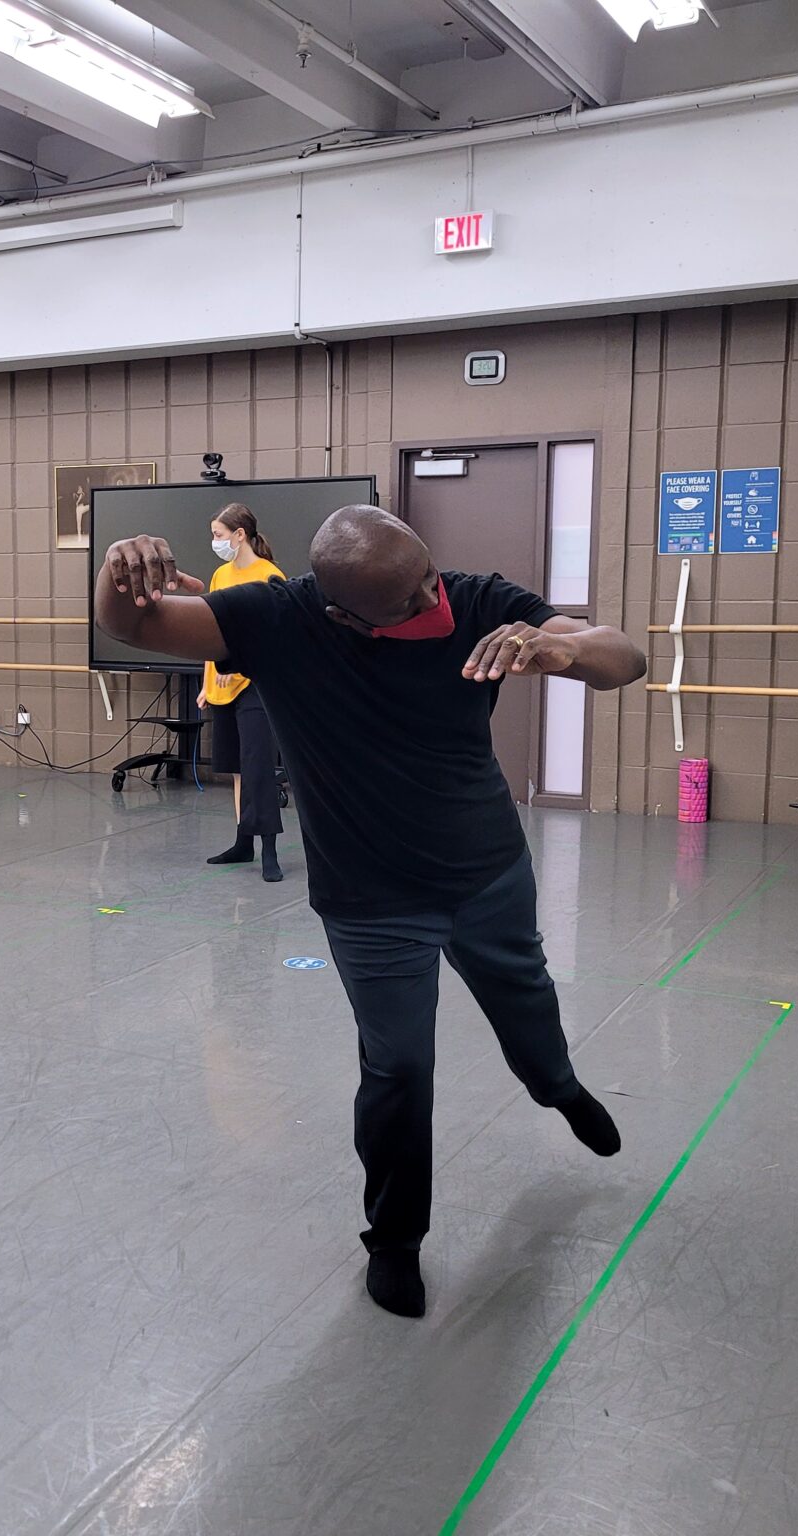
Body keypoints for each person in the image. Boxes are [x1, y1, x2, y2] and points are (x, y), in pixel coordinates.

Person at [94, 505, 647, 1320]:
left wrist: (560, 647)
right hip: (371, 901)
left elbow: (623, 657)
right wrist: (116, 578)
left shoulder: (477, 599)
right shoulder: (277, 618)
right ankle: (395, 1241)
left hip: (486, 873)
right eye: (410, 598)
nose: (434, 600)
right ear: (342, 612)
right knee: (397, 1069)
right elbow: (140, 626)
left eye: (429, 573)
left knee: (524, 999)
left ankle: (557, 1086)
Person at [195, 503, 286, 882]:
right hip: (221, 686)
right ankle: (243, 843)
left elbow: (274, 636)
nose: (214, 541)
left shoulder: (270, 576)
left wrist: (237, 666)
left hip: (256, 684)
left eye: (218, 534)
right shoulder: (219, 575)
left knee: (257, 766)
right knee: (235, 768)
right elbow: (211, 631)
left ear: (239, 535)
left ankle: (269, 851)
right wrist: (207, 681)